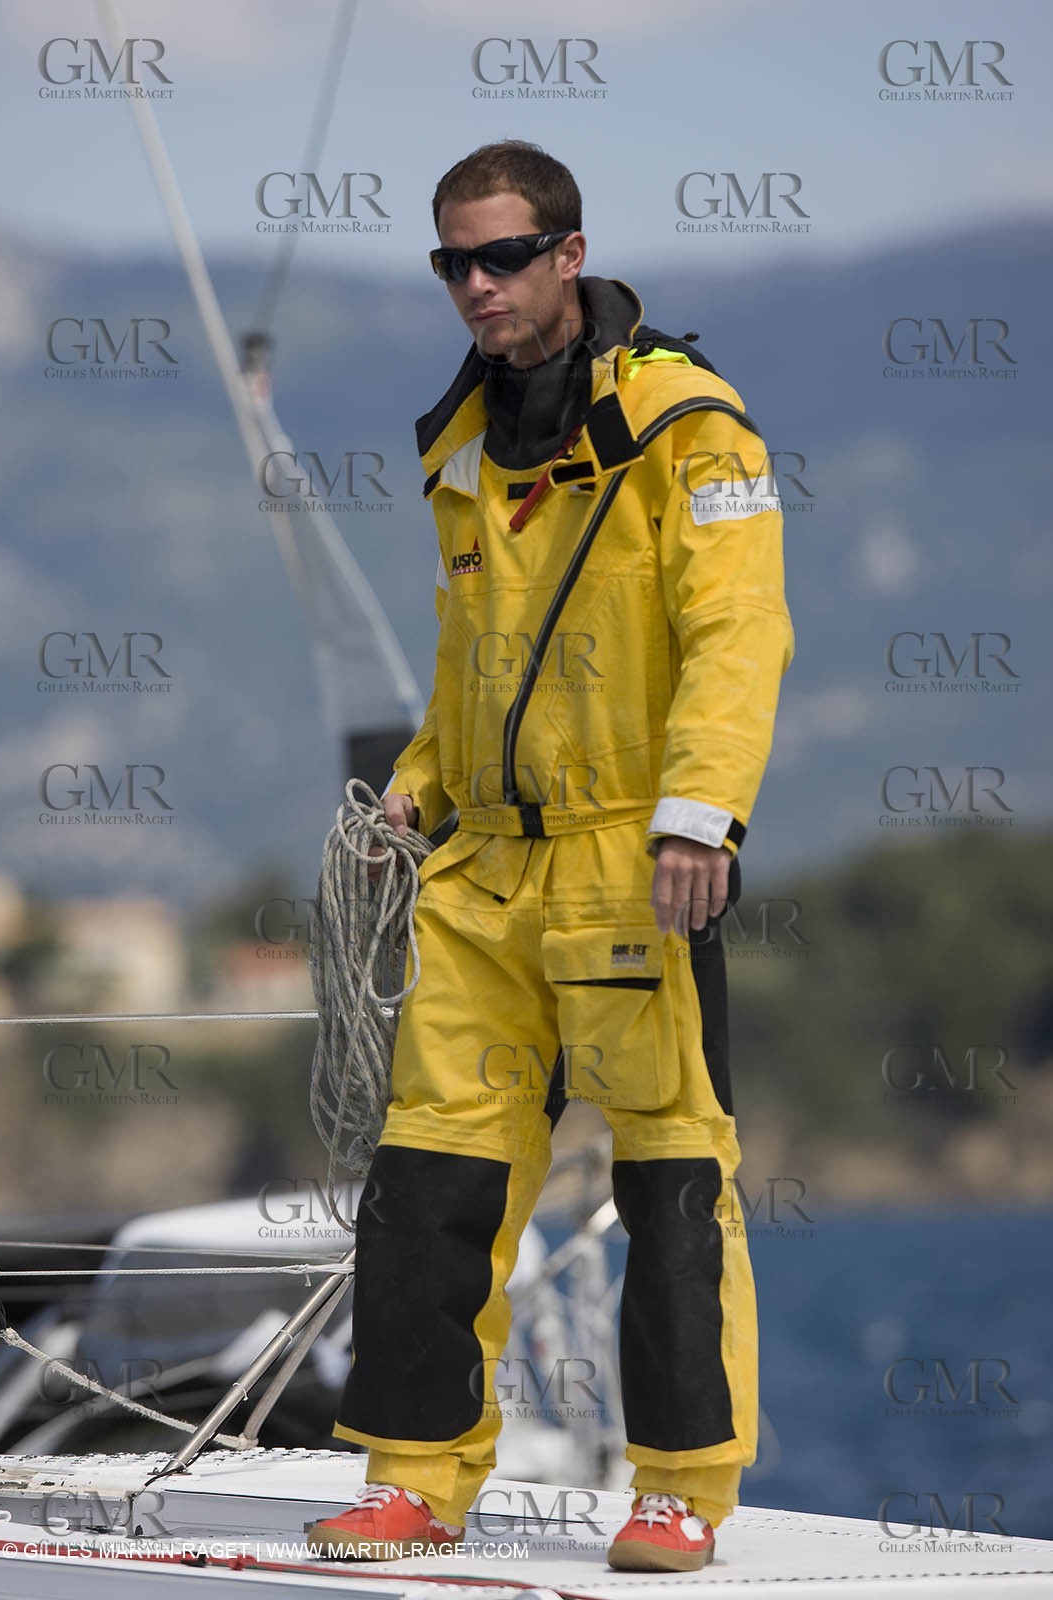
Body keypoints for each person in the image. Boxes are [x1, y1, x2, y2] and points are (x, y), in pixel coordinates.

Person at [307, 139, 793, 1573]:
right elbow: (478, 662)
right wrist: (411, 788)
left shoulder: (688, 427)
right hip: (482, 870)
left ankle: (678, 1490)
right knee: (431, 1173)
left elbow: (736, 636)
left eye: (501, 257)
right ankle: (415, 1478)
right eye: (452, 260)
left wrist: (700, 814)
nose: (474, 284)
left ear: (568, 257)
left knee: (666, 1175)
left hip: (632, 862)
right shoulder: (459, 441)